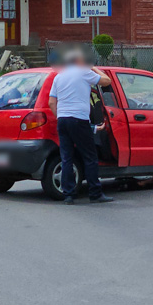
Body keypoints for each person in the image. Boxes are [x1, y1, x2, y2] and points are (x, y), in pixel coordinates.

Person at [48, 49, 114, 205]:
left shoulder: (59, 77)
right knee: (90, 157)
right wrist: (93, 67)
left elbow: (51, 102)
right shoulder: (84, 72)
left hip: (62, 120)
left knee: (66, 158)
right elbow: (107, 81)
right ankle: (95, 193)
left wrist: (60, 116)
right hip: (79, 119)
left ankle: (68, 195)